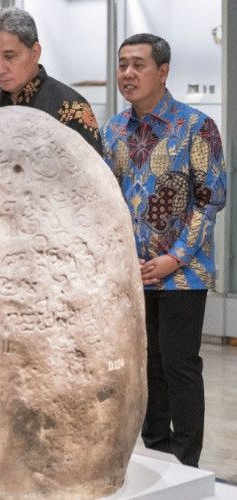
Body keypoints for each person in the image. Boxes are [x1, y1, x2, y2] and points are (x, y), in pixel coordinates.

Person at [102, 33, 226, 467]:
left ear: (163, 71)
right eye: (122, 65)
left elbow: (211, 197)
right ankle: (157, 456)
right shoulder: (113, 130)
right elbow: (104, 198)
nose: (128, 74)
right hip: (132, 272)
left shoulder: (196, 127)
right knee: (145, 367)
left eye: (138, 64)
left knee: (179, 365)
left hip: (182, 272)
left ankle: (186, 466)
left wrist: (175, 257)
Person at [0, 7, 102, 155]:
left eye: (9, 56)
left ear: (35, 53)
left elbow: (92, 173)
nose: (0, 69)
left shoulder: (72, 108)